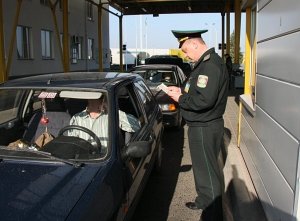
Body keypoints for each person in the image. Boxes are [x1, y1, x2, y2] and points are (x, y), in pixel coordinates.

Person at [168, 30, 229, 221]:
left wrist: (180, 98)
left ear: (195, 44)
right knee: (203, 169)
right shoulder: (204, 63)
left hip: (205, 126)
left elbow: (204, 100)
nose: (185, 55)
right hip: (202, 125)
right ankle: (204, 200)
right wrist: (181, 91)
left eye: (186, 50)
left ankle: (213, 214)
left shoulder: (210, 66)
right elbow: (196, 91)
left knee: (208, 172)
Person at [68, 96, 140, 151]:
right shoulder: (77, 118)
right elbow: (72, 146)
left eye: (102, 97)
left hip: (107, 161)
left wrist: (111, 109)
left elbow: (136, 126)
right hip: (85, 160)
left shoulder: (111, 115)